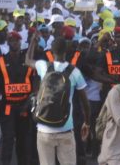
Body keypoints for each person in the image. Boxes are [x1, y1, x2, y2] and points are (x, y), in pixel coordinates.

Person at [26, 32, 91, 165]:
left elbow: (27, 60)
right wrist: (87, 123)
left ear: (52, 50)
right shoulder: (74, 72)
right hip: (65, 129)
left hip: (44, 129)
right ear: (66, 51)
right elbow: (85, 103)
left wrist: (33, 42)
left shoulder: (44, 66)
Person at [0, 31, 33, 165]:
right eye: (11, 40)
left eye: (16, 40)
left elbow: (35, 80)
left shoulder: (27, 61)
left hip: (24, 106)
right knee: (8, 139)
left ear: (20, 42)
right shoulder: (0, 61)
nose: (14, 43)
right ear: (8, 42)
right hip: (7, 106)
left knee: (22, 141)